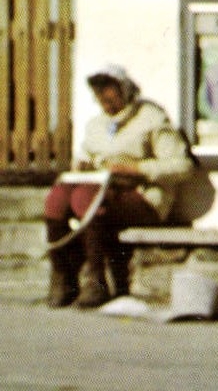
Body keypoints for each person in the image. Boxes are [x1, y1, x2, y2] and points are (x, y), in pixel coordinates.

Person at [43, 64, 194, 309]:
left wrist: (136, 169)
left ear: (125, 91)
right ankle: (63, 276)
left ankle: (97, 279)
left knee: (86, 199)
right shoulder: (97, 125)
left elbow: (182, 166)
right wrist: (82, 166)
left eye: (112, 99)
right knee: (57, 199)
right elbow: (87, 155)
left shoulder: (151, 119)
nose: (108, 105)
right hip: (105, 191)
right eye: (102, 100)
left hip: (144, 197)